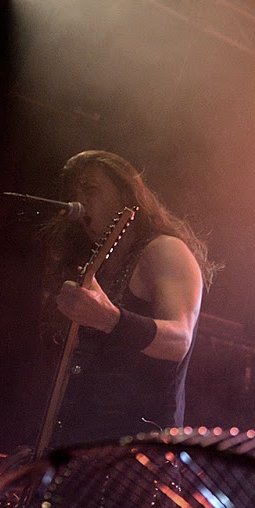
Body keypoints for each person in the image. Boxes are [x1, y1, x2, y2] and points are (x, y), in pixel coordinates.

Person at [39, 150, 215, 447]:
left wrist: (109, 318)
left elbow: (178, 340)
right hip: (82, 454)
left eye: (90, 189)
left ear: (126, 195)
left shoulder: (164, 250)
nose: (79, 203)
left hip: (139, 457)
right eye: (73, 195)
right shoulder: (95, 264)